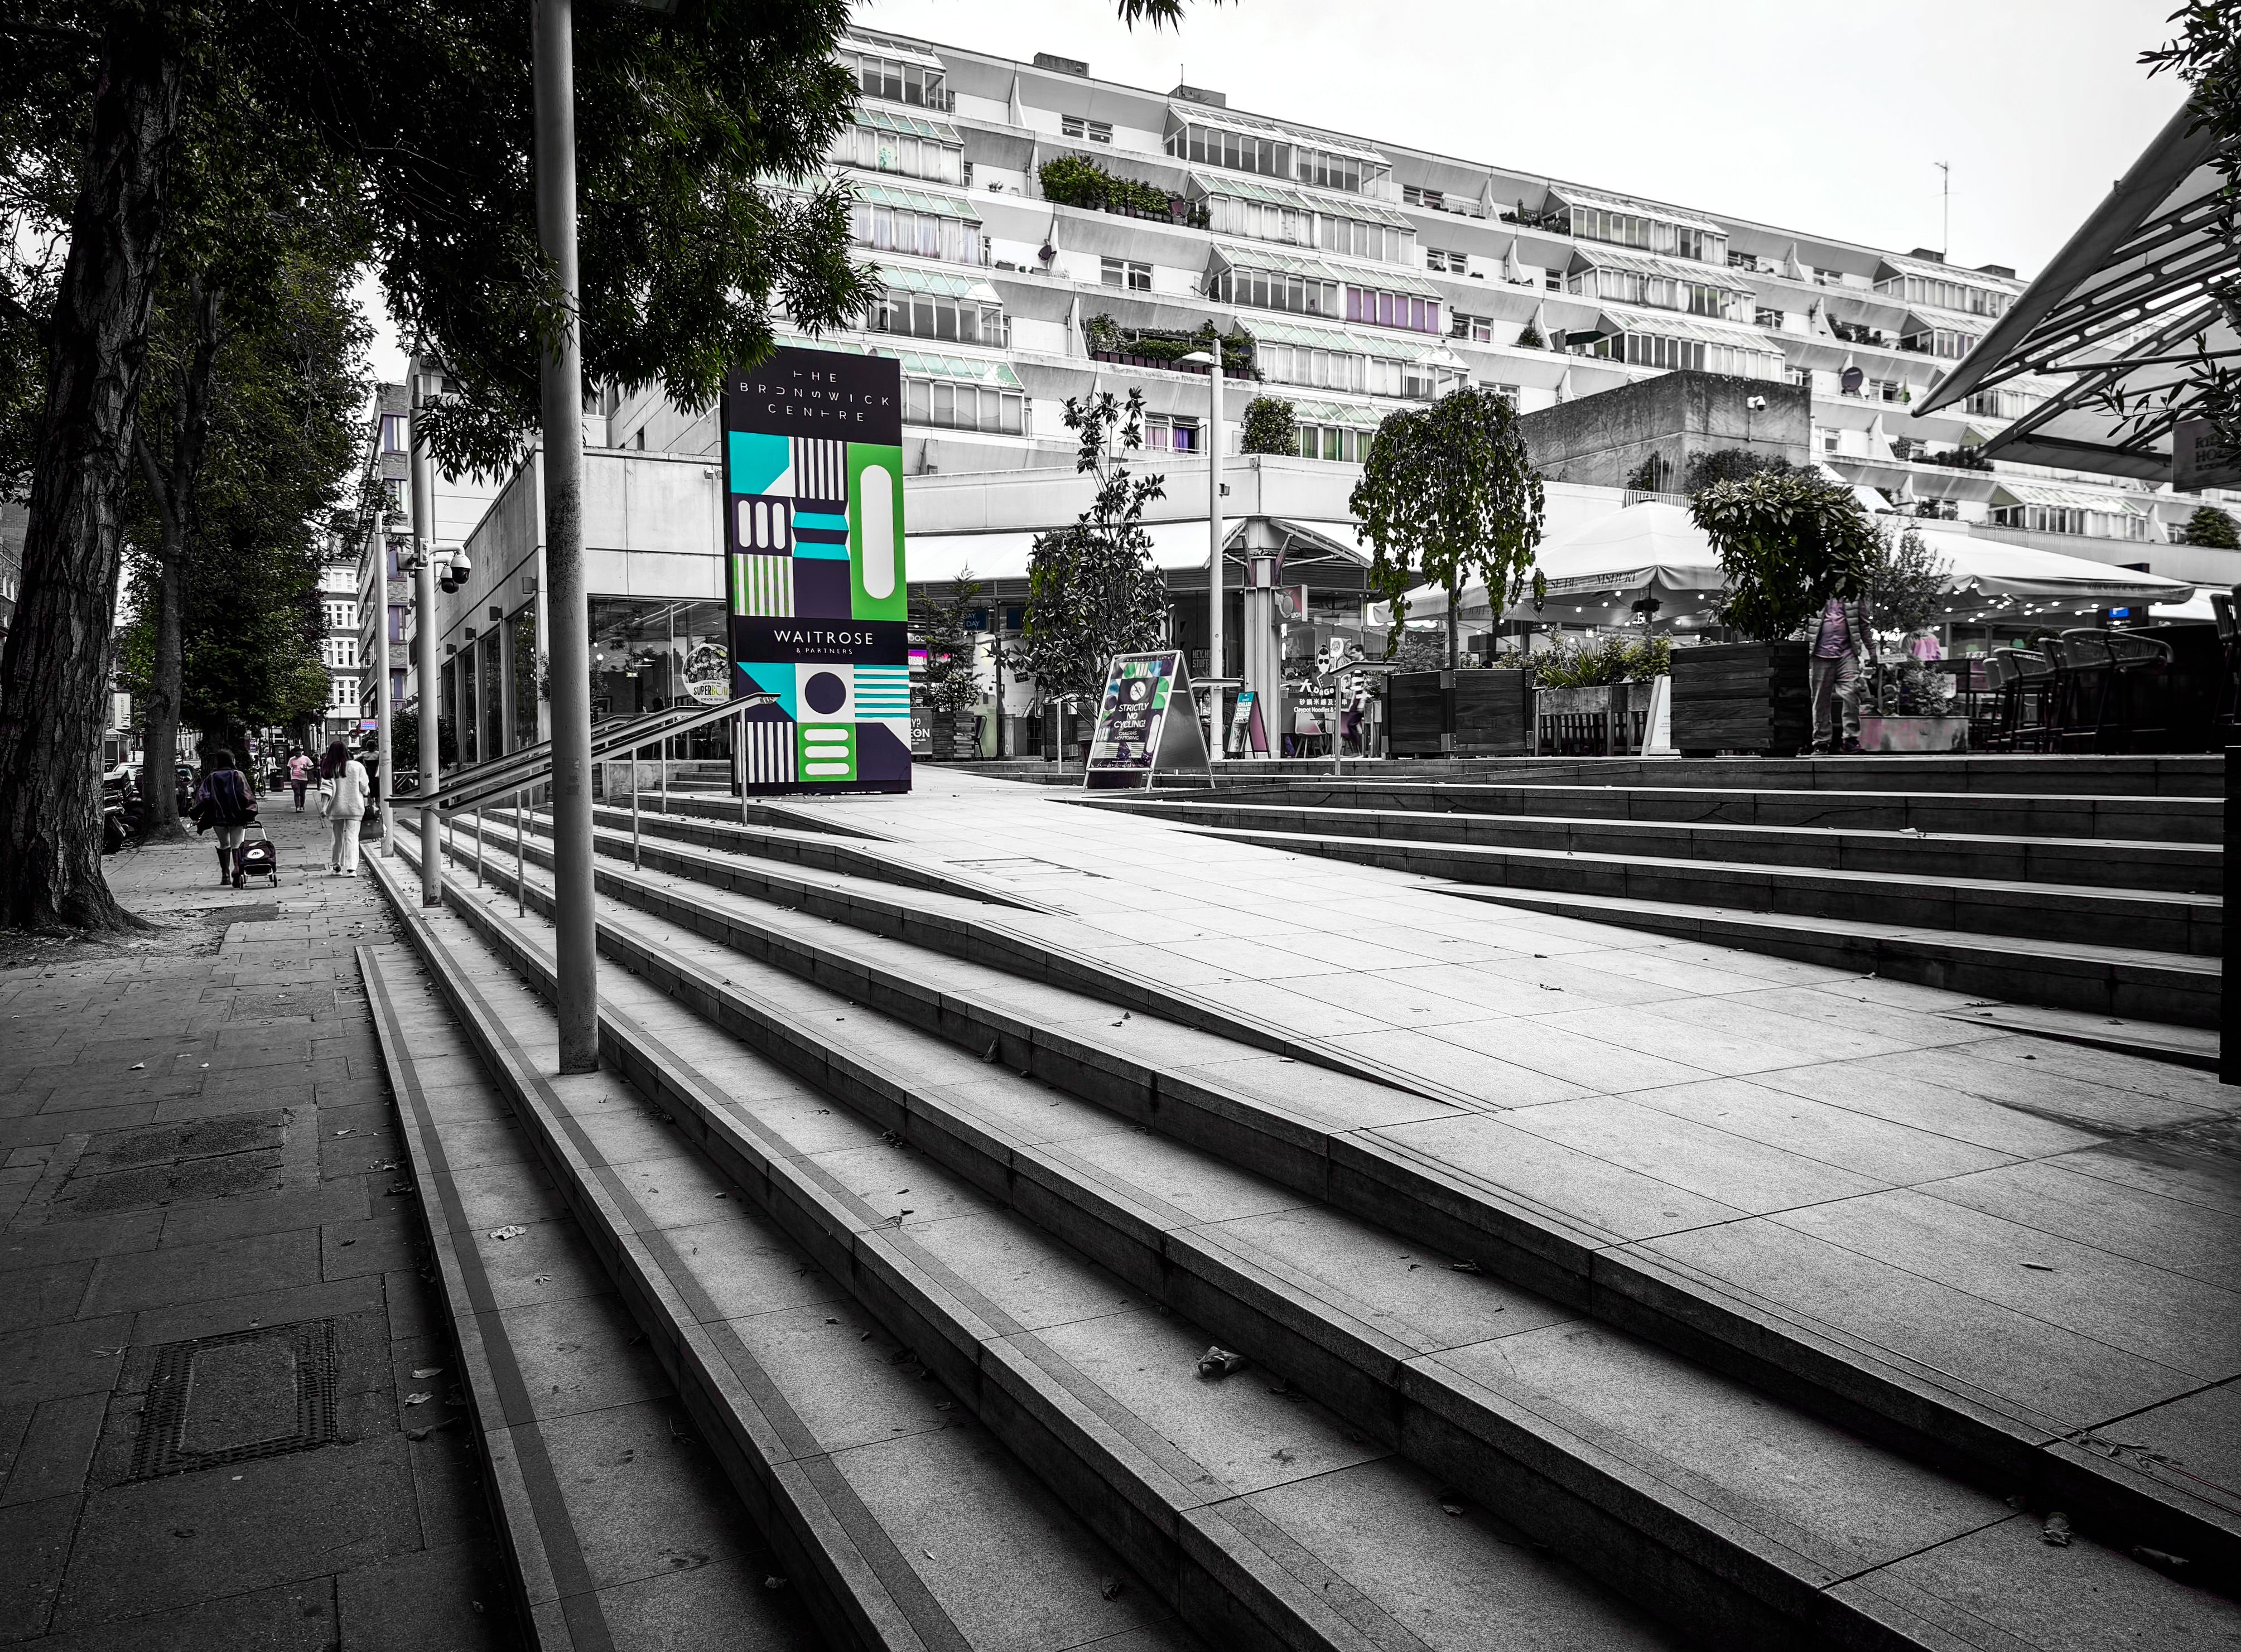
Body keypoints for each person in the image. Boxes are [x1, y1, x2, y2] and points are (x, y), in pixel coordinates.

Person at [1805, 585, 1871, 756]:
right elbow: (1801, 624)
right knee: (1820, 700)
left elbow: (1863, 625)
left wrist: (1872, 651)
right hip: (1819, 655)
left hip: (1846, 654)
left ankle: (1851, 739)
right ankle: (1821, 742)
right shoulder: (1814, 593)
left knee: (1852, 694)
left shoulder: (1854, 594)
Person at [191, 749, 258, 887]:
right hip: (237, 816)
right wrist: (251, 813)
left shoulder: (212, 777)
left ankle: (225, 875)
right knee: (237, 844)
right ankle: (238, 870)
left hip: (218, 816)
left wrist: (195, 813)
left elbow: (203, 798)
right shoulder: (238, 775)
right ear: (232, 760)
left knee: (224, 844)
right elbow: (246, 795)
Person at [319, 740, 370, 875]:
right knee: (352, 838)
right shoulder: (357, 766)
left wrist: (324, 808)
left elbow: (326, 790)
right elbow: (364, 787)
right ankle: (352, 868)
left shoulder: (331, 767)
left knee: (337, 837)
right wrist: (366, 792)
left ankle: (337, 865)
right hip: (355, 807)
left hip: (336, 808)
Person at [287, 747, 312, 811]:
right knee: (296, 792)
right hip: (295, 778)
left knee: (302, 793)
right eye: (296, 754)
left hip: (304, 778)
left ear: (301, 752)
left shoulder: (306, 758)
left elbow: (312, 766)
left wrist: (307, 769)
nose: (297, 755)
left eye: (298, 753)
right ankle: (297, 807)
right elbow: (289, 767)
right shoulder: (292, 759)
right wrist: (289, 769)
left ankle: (302, 806)